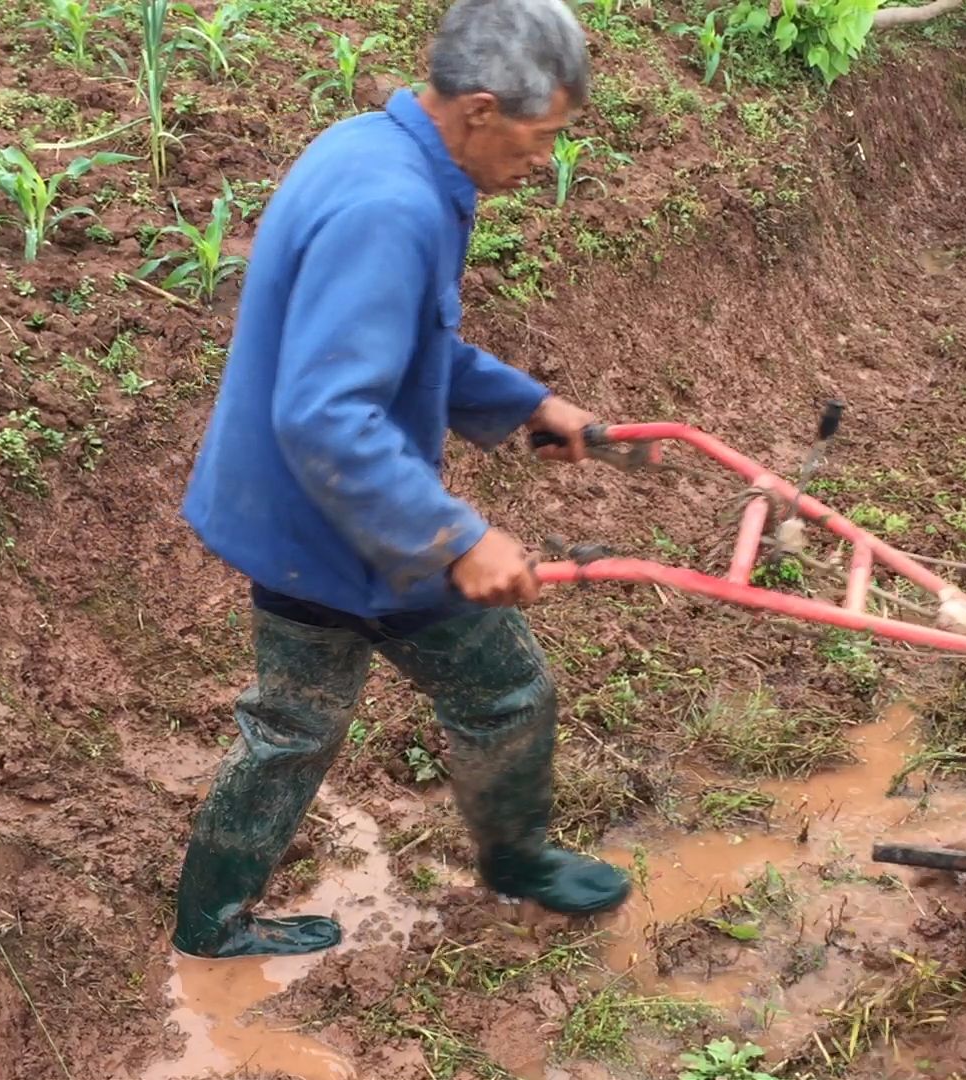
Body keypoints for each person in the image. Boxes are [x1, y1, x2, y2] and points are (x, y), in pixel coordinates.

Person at [171, 0, 629, 960]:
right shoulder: (395, 206)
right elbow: (329, 412)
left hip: (296, 516)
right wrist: (458, 537)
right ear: (477, 109)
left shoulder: (373, 149)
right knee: (502, 691)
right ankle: (516, 864)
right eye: (541, 136)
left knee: (291, 725)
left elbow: (412, 345)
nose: (545, 158)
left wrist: (531, 405)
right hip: (342, 528)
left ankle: (209, 921)